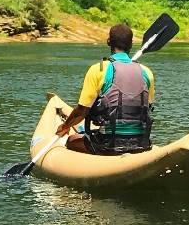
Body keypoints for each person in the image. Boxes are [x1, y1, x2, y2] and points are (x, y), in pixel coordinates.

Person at [54, 22, 154, 155]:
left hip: (108, 144)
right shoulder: (146, 72)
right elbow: (148, 105)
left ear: (109, 42)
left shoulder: (99, 69)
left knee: (72, 141)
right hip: (141, 143)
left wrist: (66, 126)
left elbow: (82, 111)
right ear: (131, 44)